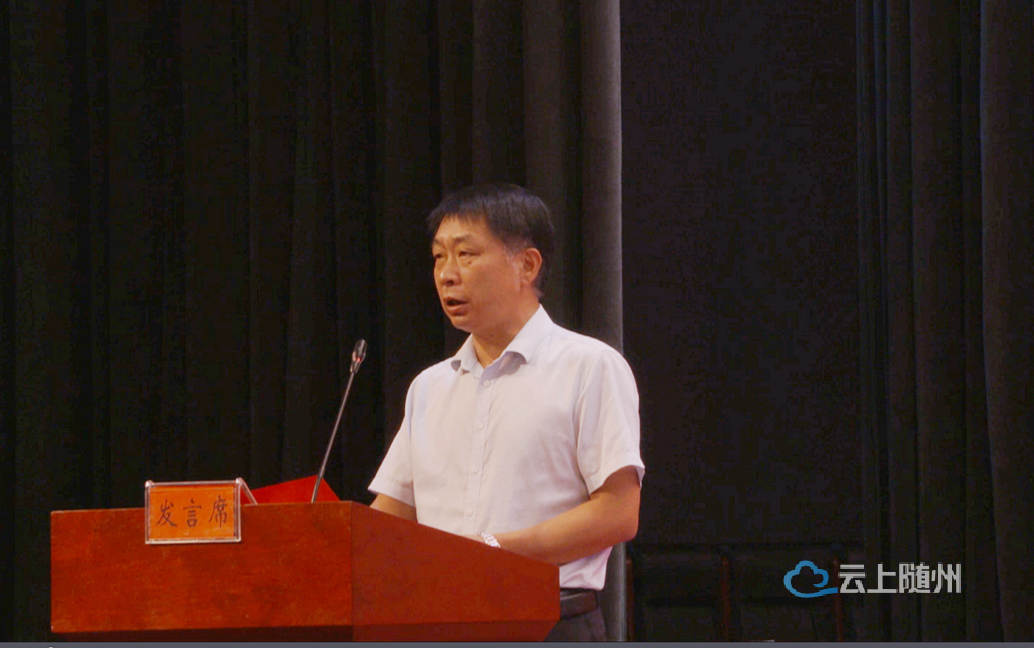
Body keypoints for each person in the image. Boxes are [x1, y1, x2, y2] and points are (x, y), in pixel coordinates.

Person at [368, 183, 644, 641]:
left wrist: (492, 551)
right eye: (438, 257)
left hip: (547, 624)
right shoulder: (429, 387)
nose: (446, 274)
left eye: (466, 254)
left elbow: (618, 512)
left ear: (527, 265)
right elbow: (389, 518)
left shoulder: (589, 367)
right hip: (437, 623)